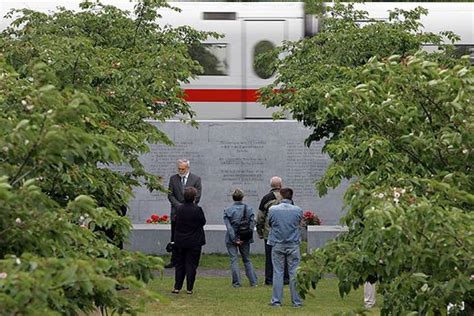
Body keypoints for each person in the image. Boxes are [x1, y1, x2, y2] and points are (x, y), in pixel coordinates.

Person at [267, 188, 303, 307]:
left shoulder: (273, 210)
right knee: (294, 273)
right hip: (293, 244)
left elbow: (270, 223)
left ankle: (276, 300)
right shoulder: (298, 210)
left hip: (278, 243)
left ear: (281, 196)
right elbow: (299, 224)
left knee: (278, 272)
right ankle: (296, 301)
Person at [166, 159, 202, 268]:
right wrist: (179, 206)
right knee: (175, 236)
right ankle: (175, 260)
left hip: (190, 214)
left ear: (188, 168)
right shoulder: (173, 179)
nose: (180, 171)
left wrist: (187, 207)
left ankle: (188, 258)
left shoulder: (196, 179)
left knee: (189, 235)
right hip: (176, 212)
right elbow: (170, 195)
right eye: (179, 169)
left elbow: (198, 195)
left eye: (183, 169)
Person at [172, 187, 206, 294]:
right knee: (191, 265)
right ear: (194, 197)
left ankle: (177, 287)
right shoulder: (197, 209)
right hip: (194, 241)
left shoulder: (179, 209)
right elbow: (202, 222)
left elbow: (175, 222)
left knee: (180, 264)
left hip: (180, 240)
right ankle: (189, 288)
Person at [256, 176, 288, 285]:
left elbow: (260, 217)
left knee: (269, 257)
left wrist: (260, 232)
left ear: (271, 186)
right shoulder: (286, 197)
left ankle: (269, 279)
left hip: (269, 233)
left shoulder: (266, 198)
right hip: (285, 233)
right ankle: (285, 278)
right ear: (281, 185)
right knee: (285, 256)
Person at [223, 188, 258, 288]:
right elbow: (251, 225)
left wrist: (235, 239)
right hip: (245, 238)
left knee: (234, 259)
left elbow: (229, 228)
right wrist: (243, 237)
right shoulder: (249, 209)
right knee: (246, 259)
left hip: (231, 238)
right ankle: (253, 281)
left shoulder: (228, 210)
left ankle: (237, 282)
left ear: (233, 198)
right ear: (242, 198)